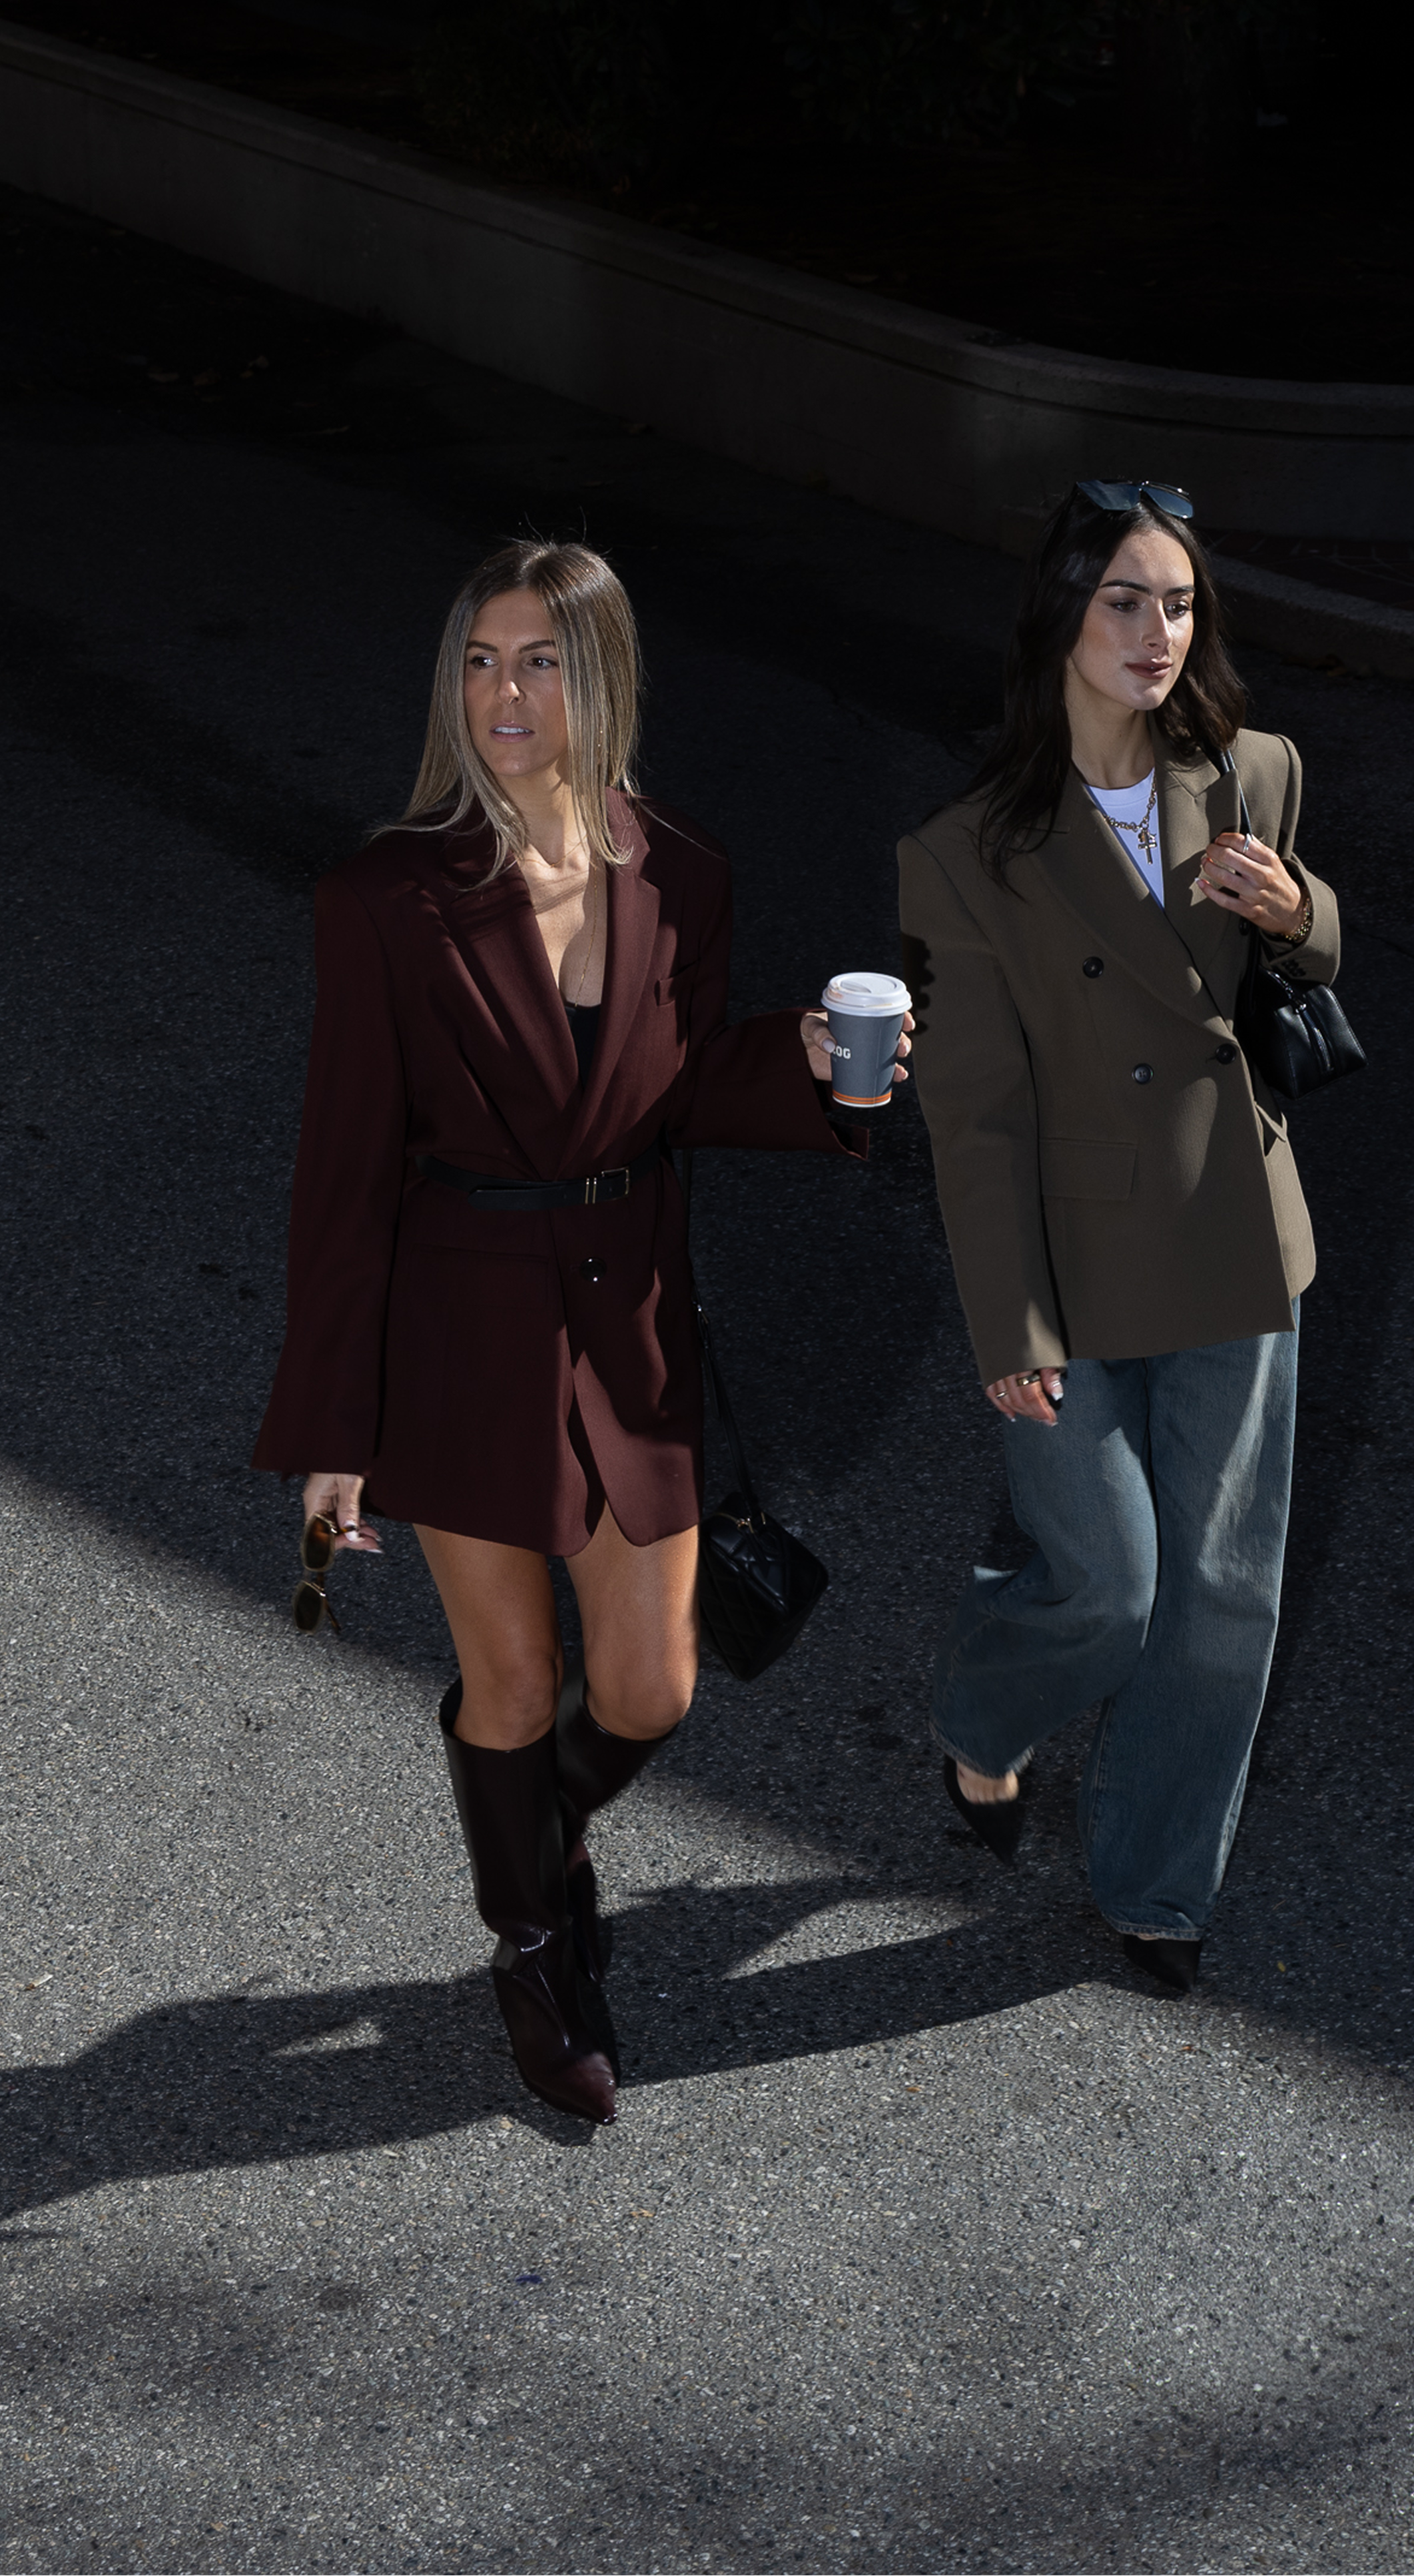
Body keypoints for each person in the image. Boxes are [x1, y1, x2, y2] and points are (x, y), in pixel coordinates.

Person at [254, 539, 908, 2123]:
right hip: (457, 1332)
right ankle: (535, 1945)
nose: (503, 694)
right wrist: (332, 1430)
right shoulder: (387, 897)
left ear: (601, 676)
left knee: (649, 1688)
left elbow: (669, 1094)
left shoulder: (679, 867)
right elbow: (341, 1173)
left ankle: (538, 1841)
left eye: (540, 660)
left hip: (632, 1319)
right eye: (479, 661)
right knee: (512, 1673)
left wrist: (816, 1069)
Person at [897, 478, 1340, 1994]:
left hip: (1230, 1235)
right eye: (1122, 601)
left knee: (1218, 1594)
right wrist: (1007, 1322)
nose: (1157, 633)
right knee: (1107, 1581)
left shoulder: (1253, 772)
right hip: (1068, 1263)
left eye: (1178, 603)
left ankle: (1156, 1884)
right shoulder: (966, 849)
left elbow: (1318, 954)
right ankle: (981, 1716)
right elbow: (971, 1111)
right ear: (1060, 618)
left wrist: (1293, 911)